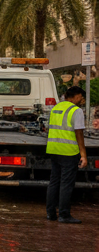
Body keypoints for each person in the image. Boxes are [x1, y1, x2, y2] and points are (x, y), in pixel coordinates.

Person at [46, 85, 87, 223]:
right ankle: (64, 215)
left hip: (53, 149)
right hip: (69, 151)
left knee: (54, 182)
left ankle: (50, 213)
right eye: (81, 97)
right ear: (75, 96)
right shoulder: (76, 111)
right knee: (66, 184)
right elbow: (79, 133)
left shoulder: (55, 108)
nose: (81, 100)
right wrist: (83, 154)